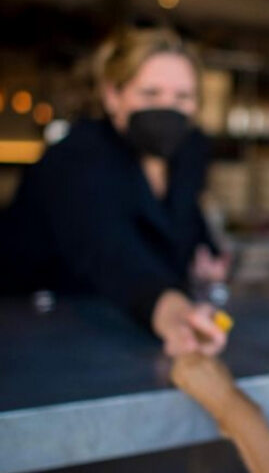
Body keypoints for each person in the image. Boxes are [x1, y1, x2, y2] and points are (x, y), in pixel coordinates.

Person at [0, 28, 228, 356]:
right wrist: (172, 312)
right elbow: (110, 251)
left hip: (129, 328)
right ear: (112, 96)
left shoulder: (188, 152)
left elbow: (186, 220)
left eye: (182, 98)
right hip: (38, 330)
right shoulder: (76, 157)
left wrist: (206, 258)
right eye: (150, 94)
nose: (167, 108)